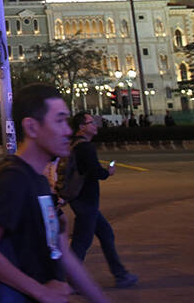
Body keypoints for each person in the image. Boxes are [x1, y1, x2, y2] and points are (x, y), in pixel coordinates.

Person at [0, 85, 110, 303]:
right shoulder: (14, 178)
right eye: (59, 120)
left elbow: (63, 252)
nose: (67, 130)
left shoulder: (37, 180)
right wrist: (40, 291)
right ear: (32, 127)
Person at [66, 113, 137, 288]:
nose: (95, 125)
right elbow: (94, 171)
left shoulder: (74, 144)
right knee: (81, 243)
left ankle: (120, 274)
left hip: (81, 199)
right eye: (91, 123)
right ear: (82, 126)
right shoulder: (85, 147)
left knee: (106, 234)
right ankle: (69, 281)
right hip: (86, 200)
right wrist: (108, 172)